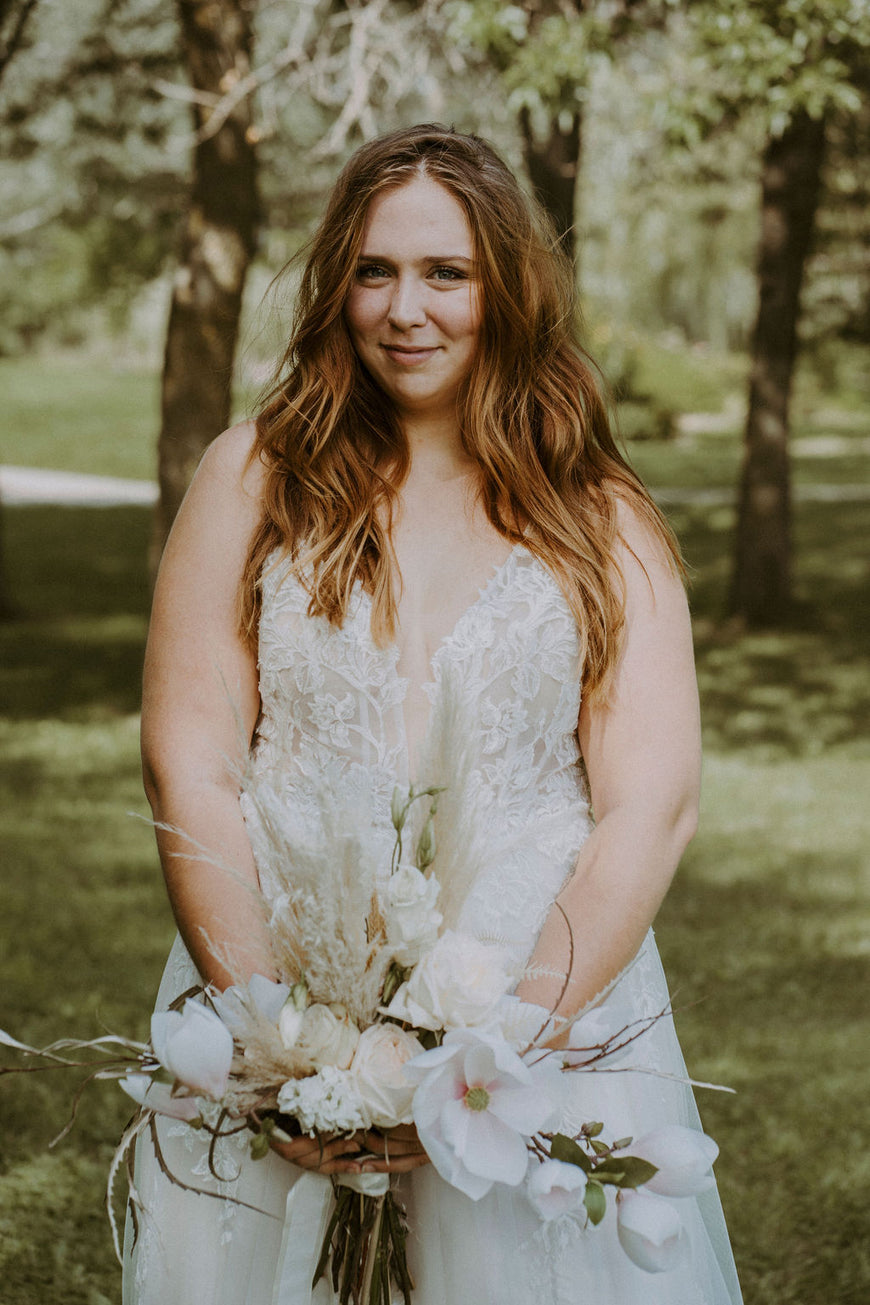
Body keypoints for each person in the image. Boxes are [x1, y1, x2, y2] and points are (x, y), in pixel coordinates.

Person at [125, 124, 743, 1304]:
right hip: (284, 975)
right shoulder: (251, 478)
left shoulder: (598, 514)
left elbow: (649, 809)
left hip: (539, 1010)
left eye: (445, 273)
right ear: (338, 287)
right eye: (375, 271)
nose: (407, 310)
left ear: (502, 287)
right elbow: (189, 767)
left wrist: (494, 1052)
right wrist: (282, 1055)